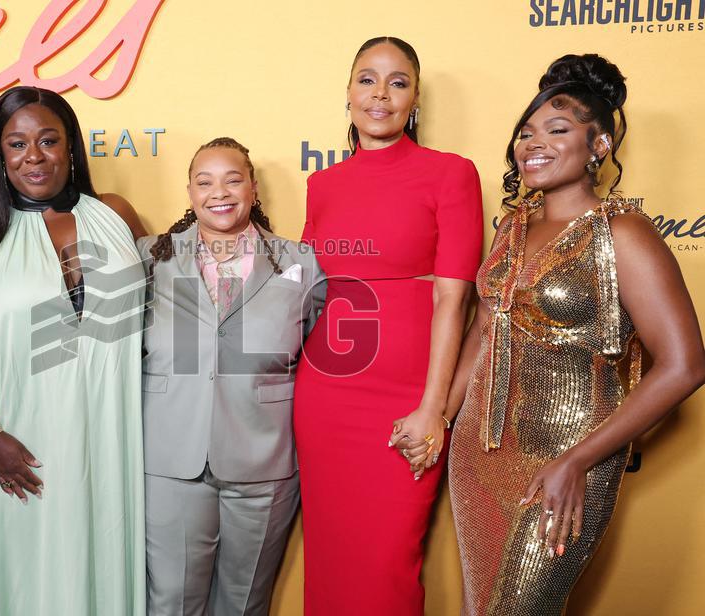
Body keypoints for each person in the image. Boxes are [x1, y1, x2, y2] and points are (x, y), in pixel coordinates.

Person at [445, 54, 705, 615]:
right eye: (526, 133)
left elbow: (685, 365)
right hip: (476, 453)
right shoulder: (511, 228)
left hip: (568, 458)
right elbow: (486, 329)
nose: (533, 144)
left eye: (558, 130)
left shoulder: (624, 233)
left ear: (600, 145)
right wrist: (441, 419)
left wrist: (577, 461)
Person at [292, 36, 483, 615]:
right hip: (325, 397)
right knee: (331, 562)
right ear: (348, 93)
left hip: (405, 397)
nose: (381, 94)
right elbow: (305, 293)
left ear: (415, 99)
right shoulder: (323, 184)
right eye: (367, 80)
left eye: (398, 82)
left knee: (387, 568)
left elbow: (454, 301)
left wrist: (435, 409)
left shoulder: (450, 174)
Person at [0, 86, 147, 615]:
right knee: (23, 572)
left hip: (109, 433)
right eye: (17, 144)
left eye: (48, 140)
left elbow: (162, 315)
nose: (33, 156)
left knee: (99, 554)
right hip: (17, 442)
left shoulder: (116, 215)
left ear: (71, 146)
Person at [139, 138, 325, 615]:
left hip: (263, 462)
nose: (218, 192)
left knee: (244, 604)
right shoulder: (151, 258)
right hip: (170, 459)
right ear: (190, 192)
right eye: (205, 182)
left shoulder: (299, 263)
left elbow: (322, 357)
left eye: (232, 179)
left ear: (253, 187)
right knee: (171, 601)